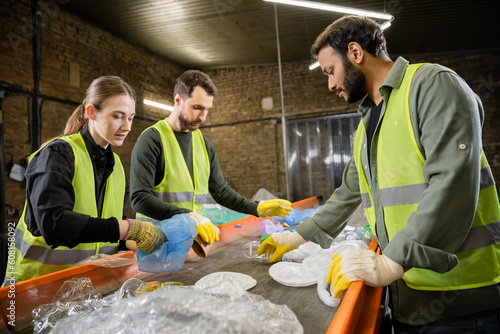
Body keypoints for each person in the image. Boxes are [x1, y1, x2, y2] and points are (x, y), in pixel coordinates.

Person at [257, 15, 500, 333]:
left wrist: (392, 260)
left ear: (356, 53)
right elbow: (347, 192)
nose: (330, 84)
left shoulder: (431, 85)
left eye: (331, 71)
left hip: (462, 299)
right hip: (410, 294)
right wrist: (298, 235)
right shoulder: (368, 123)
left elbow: (452, 182)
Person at [6, 76, 166, 284]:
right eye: (118, 116)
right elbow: (53, 223)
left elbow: (104, 229)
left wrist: (130, 242)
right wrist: (129, 229)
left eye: (131, 118)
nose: (127, 126)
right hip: (37, 287)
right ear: (91, 112)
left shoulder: (117, 165)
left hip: (86, 289)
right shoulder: (58, 154)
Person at [130, 70, 291, 249]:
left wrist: (257, 208)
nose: (203, 117)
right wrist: (189, 216)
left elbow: (221, 192)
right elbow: (139, 198)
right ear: (178, 100)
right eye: (197, 108)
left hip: (191, 244)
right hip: (156, 246)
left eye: (207, 109)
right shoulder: (152, 140)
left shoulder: (203, 143)